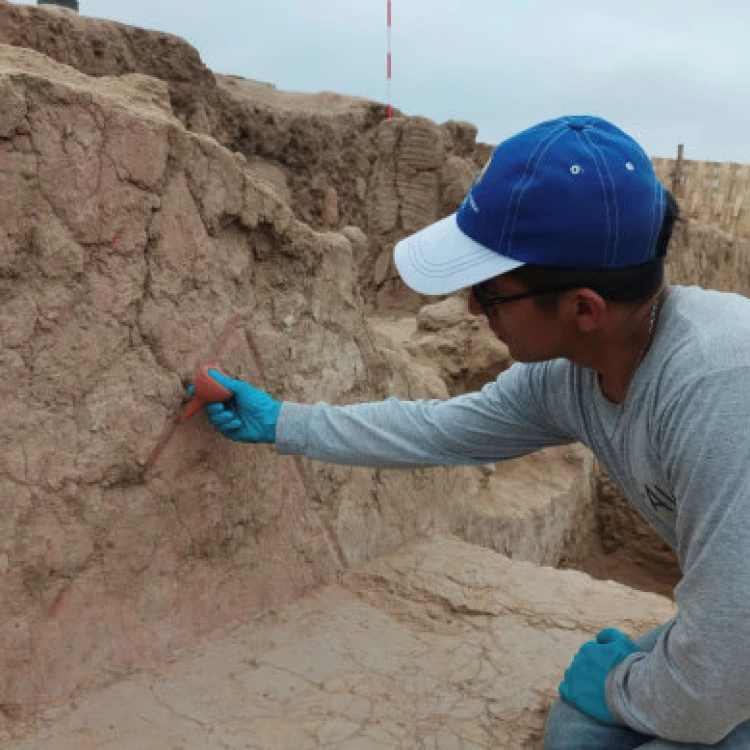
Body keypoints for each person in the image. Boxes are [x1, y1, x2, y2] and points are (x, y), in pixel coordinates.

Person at [196, 115, 750, 749]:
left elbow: (711, 690)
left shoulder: (721, 389)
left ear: (583, 307)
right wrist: (283, 422)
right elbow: (439, 430)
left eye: (488, 292)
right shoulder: (579, 371)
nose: (467, 308)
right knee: (578, 733)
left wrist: (623, 685)